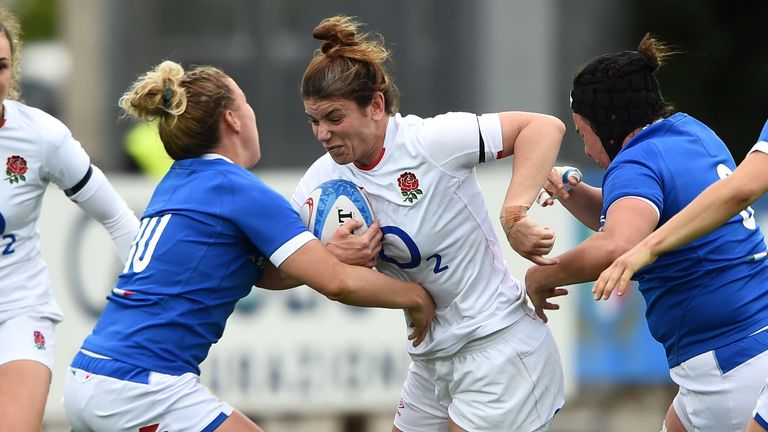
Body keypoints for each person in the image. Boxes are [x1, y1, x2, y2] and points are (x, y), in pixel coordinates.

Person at [62, 60, 436, 432]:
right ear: (232, 119)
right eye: (245, 101)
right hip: (141, 386)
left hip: (89, 373)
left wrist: (326, 256)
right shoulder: (235, 188)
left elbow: (263, 273)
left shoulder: (178, 181)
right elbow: (337, 282)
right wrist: (415, 296)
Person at [291, 15, 566, 432]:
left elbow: (542, 127)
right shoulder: (322, 181)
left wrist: (514, 214)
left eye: (334, 118)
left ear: (377, 107)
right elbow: (274, 268)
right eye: (314, 121)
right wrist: (326, 257)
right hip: (432, 359)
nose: (322, 134)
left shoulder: (430, 142)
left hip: (498, 348)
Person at [525, 34, 768, 432]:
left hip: (725, 366)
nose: (585, 149)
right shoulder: (690, 132)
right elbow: (640, 215)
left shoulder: (635, 163)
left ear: (608, 126)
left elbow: (621, 241)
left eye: (583, 133)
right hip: (745, 345)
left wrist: (541, 276)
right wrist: (575, 193)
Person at [0, 10, 140, 432]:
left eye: (1, 66)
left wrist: (151, 301)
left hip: (18, 314)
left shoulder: (41, 138)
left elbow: (117, 218)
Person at [593, 118, 768, 432]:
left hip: (735, 361)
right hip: (721, 365)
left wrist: (649, 247)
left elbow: (742, 189)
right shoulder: (689, 135)